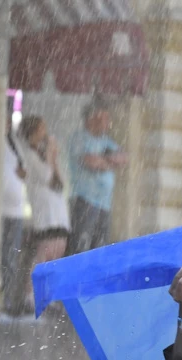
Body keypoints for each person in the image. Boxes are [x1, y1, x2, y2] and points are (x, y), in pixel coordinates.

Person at [67, 98, 128, 254]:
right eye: (105, 118)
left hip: (104, 204)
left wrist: (103, 160)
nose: (108, 123)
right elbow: (91, 162)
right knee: (82, 247)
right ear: (92, 119)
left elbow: (123, 158)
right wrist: (108, 160)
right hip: (85, 201)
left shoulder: (105, 140)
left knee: (100, 249)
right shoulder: (80, 138)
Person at [17, 116, 70, 291]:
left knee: (57, 251)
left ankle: (47, 294)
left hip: (57, 212)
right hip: (45, 213)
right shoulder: (30, 155)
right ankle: (30, 295)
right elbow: (46, 176)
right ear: (32, 133)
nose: (45, 133)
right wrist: (50, 155)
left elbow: (59, 182)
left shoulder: (41, 154)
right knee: (44, 253)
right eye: (41, 129)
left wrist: (53, 158)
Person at [0, 104, 31, 322]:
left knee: (12, 256)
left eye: (8, 119)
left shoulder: (14, 143)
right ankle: (4, 300)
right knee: (3, 256)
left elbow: (24, 169)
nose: (6, 122)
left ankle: (10, 299)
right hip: (1, 209)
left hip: (17, 210)